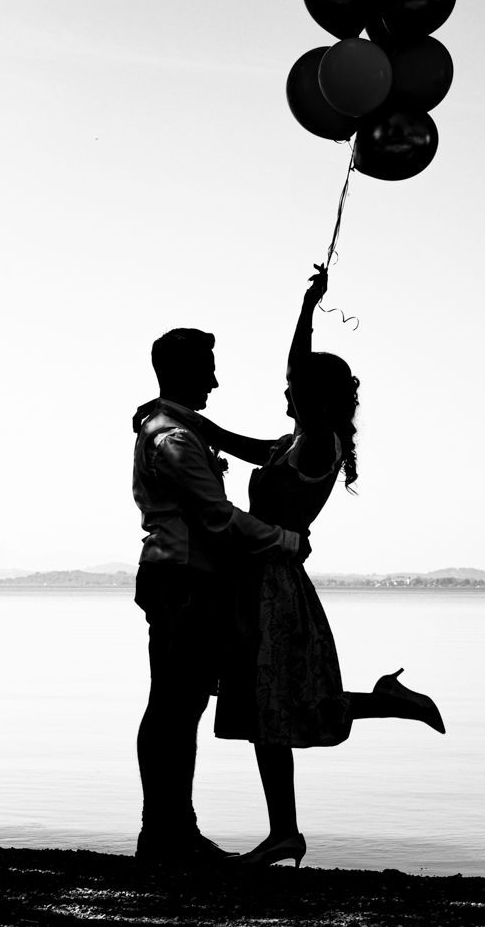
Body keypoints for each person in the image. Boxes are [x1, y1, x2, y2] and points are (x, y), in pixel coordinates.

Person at [202, 265, 447, 869]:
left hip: (272, 587)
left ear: (316, 398)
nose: (284, 394)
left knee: (279, 707)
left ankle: (287, 829)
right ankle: (287, 828)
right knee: (279, 706)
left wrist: (307, 318)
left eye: (295, 392)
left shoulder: (316, 442)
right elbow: (238, 435)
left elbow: (292, 378)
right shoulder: (294, 442)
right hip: (260, 581)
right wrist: (307, 306)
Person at [130, 328, 309, 865]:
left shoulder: (179, 429)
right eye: (207, 367)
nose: (214, 378)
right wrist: (285, 541)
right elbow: (217, 519)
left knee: (175, 706)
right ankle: (166, 833)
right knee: (174, 707)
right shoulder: (176, 440)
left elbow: (255, 453)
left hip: (181, 581)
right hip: (182, 583)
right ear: (182, 371)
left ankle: (167, 830)